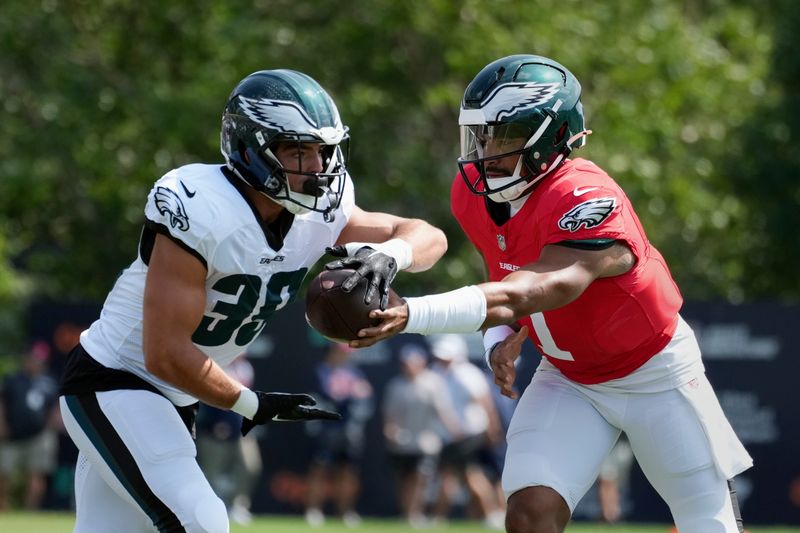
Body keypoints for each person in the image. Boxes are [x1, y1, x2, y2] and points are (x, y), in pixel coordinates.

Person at [355, 54, 752, 533]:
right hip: (569, 378)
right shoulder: (475, 192)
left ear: (550, 139)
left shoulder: (585, 197)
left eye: (503, 139)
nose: (485, 153)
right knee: (528, 515)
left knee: (708, 525)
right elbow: (502, 271)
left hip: (654, 375)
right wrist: (499, 337)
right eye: (481, 136)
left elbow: (535, 287)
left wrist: (410, 312)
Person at [57, 68, 448, 533]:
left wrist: (391, 256)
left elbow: (429, 235)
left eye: (322, 151)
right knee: (203, 521)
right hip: (115, 380)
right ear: (251, 147)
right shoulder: (201, 205)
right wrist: (249, 403)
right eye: (297, 151)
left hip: (173, 397)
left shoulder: (318, 212)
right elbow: (162, 353)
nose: (317, 168)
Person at [427, 334, 505, 530]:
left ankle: (490, 514)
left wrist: (492, 428)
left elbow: (485, 403)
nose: (443, 360)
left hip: (470, 433)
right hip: (451, 436)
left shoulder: (468, 374)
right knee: (465, 475)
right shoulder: (436, 372)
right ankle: (492, 514)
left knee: (462, 475)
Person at [382, 344, 461, 528]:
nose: (409, 366)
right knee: (404, 479)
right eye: (406, 363)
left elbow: (443, 411)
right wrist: (390, 431)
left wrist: (454, 429)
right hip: (401, 443)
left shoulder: (433, 383)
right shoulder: (396, 386)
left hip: (427, 442)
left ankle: (414, 514)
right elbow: (390, 416)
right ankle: (407, 513)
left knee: (420, 478)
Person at [304, 342, 374, 528]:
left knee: (348, 472)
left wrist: (354, 393)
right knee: (319, 470)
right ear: (333, 352)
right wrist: (350, 392)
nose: (345, 356)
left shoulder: (355, 373)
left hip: (349, 431)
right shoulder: (321, 371)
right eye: (341, 352)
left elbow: (365, 396)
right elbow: (330, 395)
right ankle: (313, 510)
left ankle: (345, 512)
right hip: (326, 430)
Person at [195, 355, 261, 525]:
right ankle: (209, 509)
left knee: (250, 465)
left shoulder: (246, 367)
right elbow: (205, 398)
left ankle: (237, 506)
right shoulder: (214, 365)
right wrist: (216, 422)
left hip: (241, 429)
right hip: (214, 429)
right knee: (212, 473)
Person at [0, 341, 60, 510]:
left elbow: (55, 407)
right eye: (32, 358)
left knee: (36, 474)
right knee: (4, 473)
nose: (35, 362)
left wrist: (51, 427)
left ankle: (30, 511)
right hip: (12, 435)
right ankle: (3, 510)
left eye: (38, 359)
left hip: (39, 435)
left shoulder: (50, 381)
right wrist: (2, 423)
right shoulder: (13, 379)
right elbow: (3, 402)